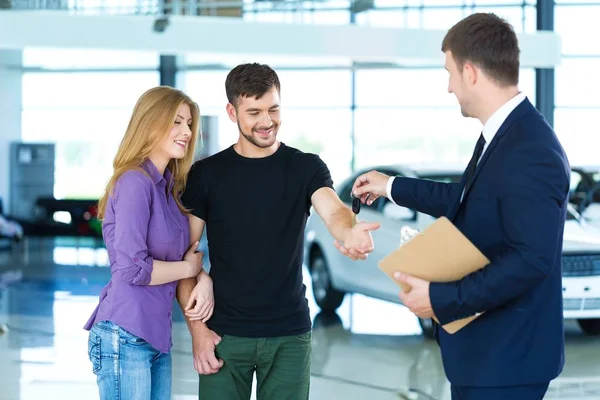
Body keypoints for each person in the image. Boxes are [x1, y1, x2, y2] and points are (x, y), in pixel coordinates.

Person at [351, 13, 569, 400]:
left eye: (449, 72)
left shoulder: (531, 150)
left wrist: (440, 299)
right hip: (487, 355)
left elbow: (531, 259)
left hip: (507, 361)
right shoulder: (503, 136)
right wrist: (391, 186)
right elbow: (467, 200)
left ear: (470, 72)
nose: (449, 87)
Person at [175, 62, 380, 400]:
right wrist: (198, 332)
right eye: (254, 112)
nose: (267, 121)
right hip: (224, 334)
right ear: (231, 111)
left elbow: (333, 210)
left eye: (273, 109)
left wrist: (350, 233)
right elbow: (184, 253)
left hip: (289, 335)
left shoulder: (305, 167)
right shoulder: (206, 175)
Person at [84, 86, 215, 400]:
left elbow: (188, 256)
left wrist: (202, 276)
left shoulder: (167, 190)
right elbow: (132, 269)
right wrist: (188, 268)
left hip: (156, 339)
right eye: (177, 122)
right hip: (124, 334)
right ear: (151, 124)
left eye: (188, 124)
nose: (187, 131)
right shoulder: (134, 182)